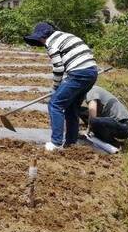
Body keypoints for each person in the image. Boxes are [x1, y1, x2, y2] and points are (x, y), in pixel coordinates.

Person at [24, 22, 98, 152]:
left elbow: (58, 67)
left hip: (79, 73)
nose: (40, 42)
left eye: (39, 39)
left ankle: (56, 143)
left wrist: (56, 87)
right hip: (91, 73)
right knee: (72, 108)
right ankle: (71, 143)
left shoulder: (52, 43)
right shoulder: (66, 36)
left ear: (42, 36)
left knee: (55, 104)